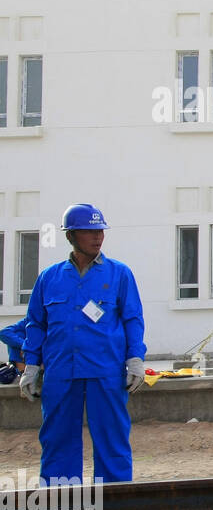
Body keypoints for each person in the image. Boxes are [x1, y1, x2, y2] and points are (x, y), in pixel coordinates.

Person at [19, 204, 146, 484]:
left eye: (100, 230)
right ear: (71, 235)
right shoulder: (50, 277)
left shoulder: (119, 274)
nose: (98, 237)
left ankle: (114, 506)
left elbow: (133, 319)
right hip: (61, 372)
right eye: (90, 231)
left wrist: (135, 359)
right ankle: (62, 506)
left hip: (106, 371)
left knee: (112, 439)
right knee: (57, 440)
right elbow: (36, 323)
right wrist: (30, 364)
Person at [0, 317, 27, 385]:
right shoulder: (32, 319)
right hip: (28, 357)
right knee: (16, 336)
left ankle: (24, 376)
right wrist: (25, 346)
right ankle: (23, 375)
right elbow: (4, 333)